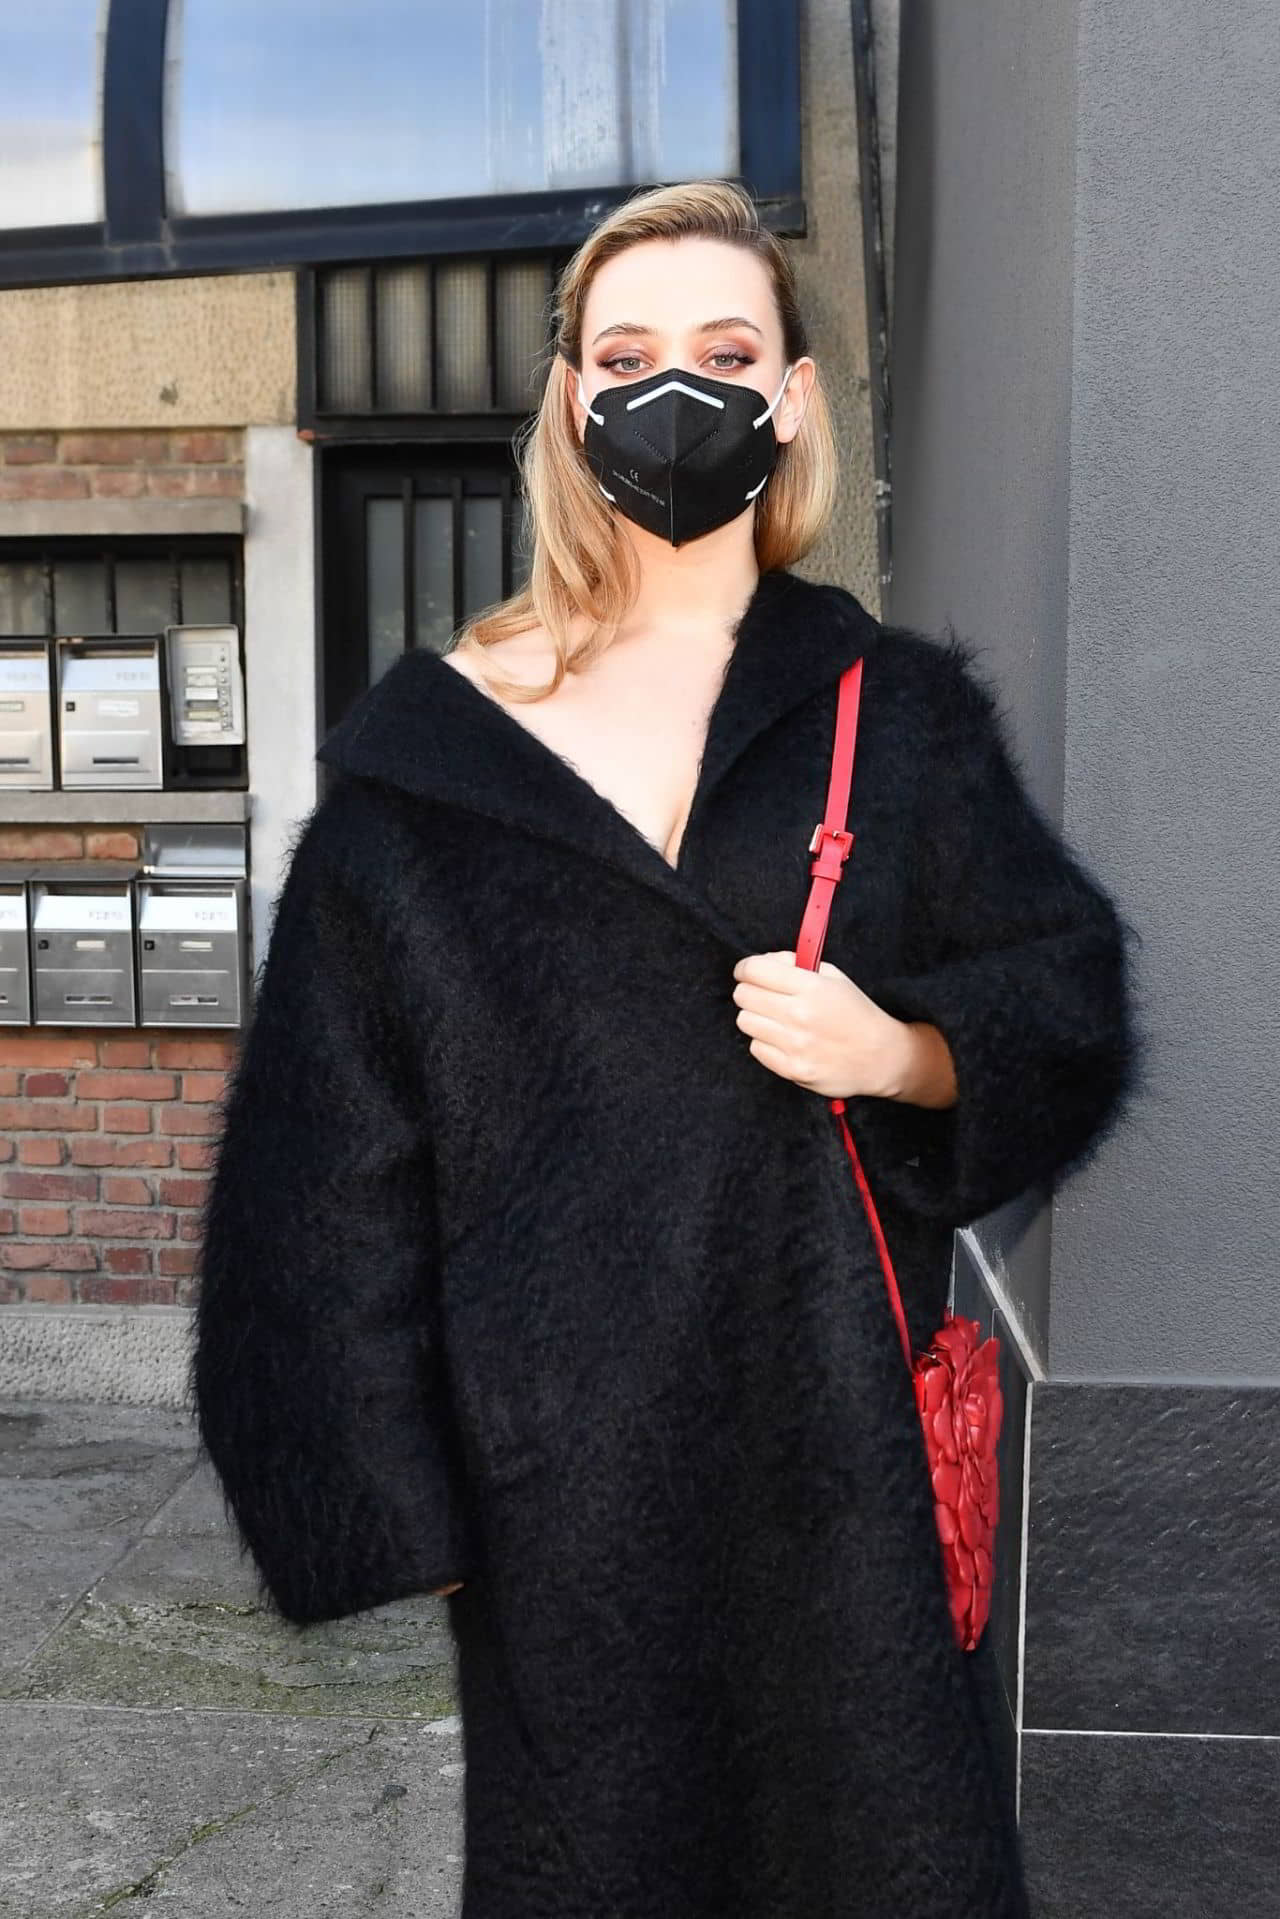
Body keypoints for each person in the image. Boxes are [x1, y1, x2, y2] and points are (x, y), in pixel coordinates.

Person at [191, 178, 1144, 1918]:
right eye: (626, 355)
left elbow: (1065, 997)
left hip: (834, 1452)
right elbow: (319, 1171)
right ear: (567, 402)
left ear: (788, 399)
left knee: (878, 1859)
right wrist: (400, 1501)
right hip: (565, 1486)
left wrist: (911, 1050)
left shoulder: (894, 715)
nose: (674, 392)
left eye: (725, 350)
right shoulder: (435, 760)